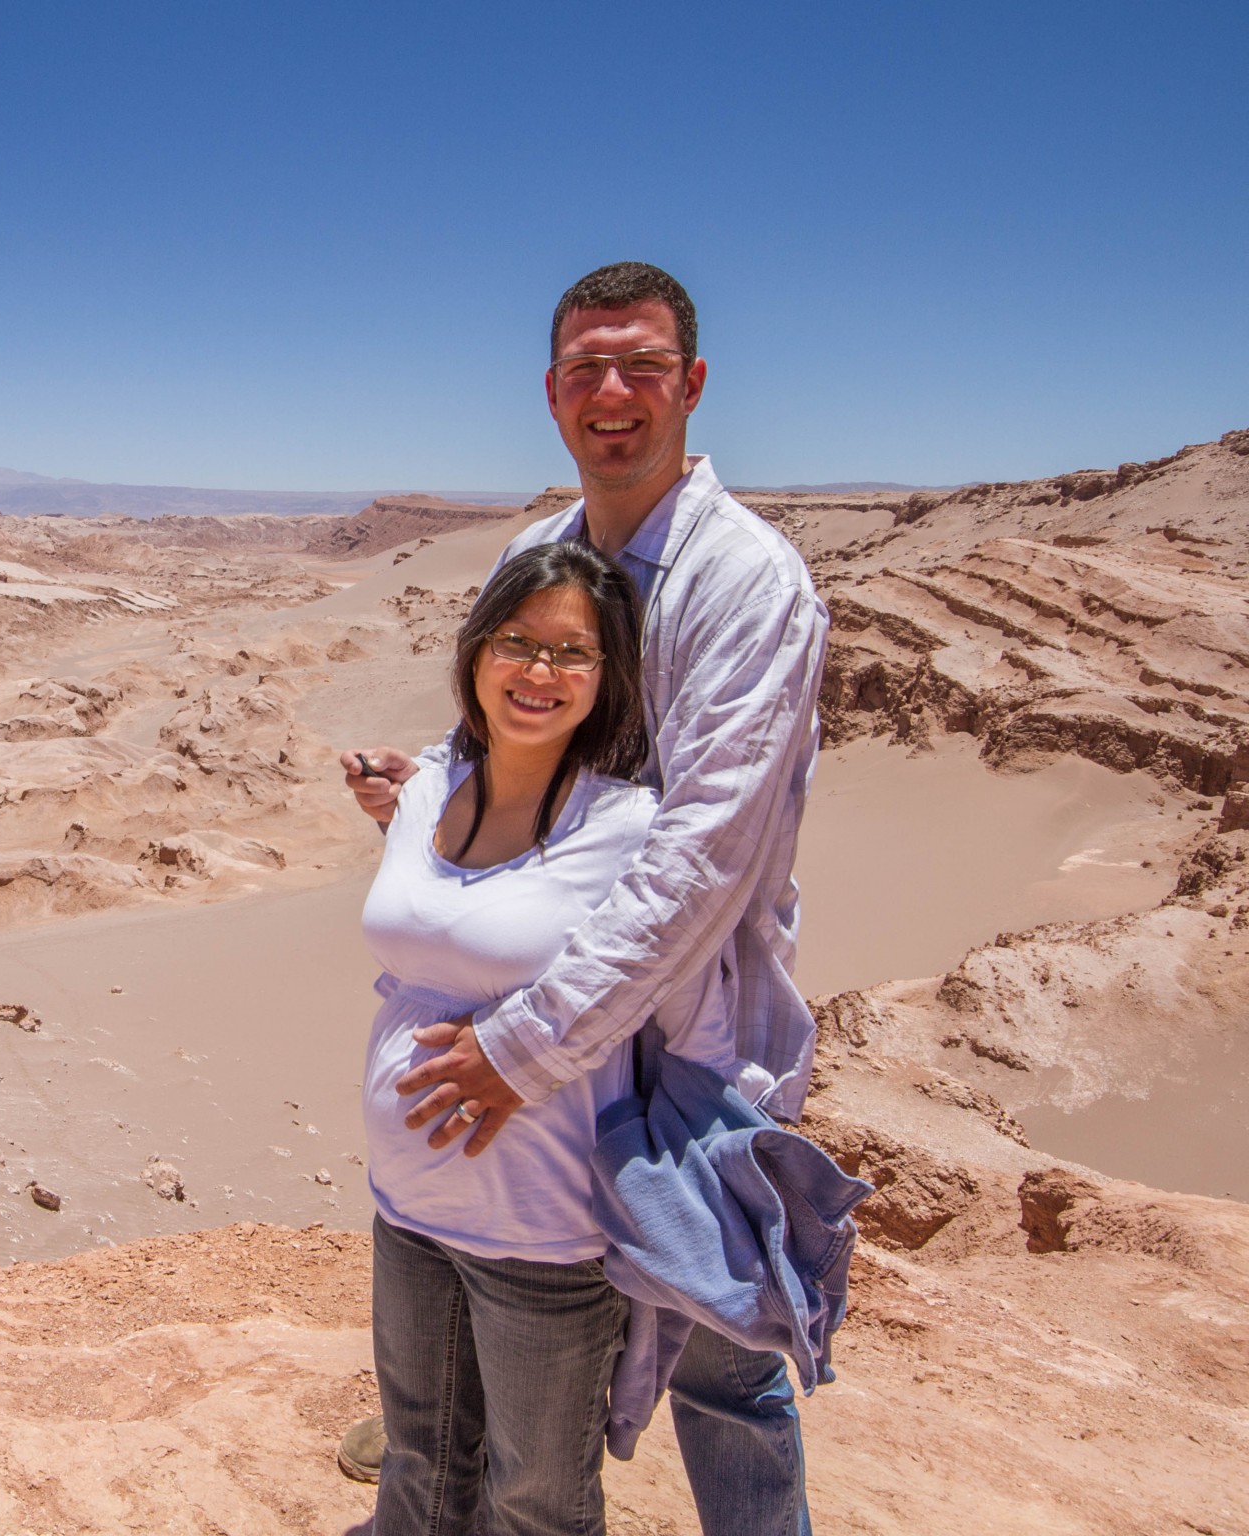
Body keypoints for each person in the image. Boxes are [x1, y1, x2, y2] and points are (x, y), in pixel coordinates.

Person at [340, 261, 831, 1536]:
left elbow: (703, 859)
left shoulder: (746, 580)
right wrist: (439, 796)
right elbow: (518, 726)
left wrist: (527, 1047)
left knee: (720, 1352)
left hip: (686, 1038)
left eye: (643, 368)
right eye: (585, 371)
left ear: (692, 385)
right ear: (552, 394)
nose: (613, 394)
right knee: (524, 1310)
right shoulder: (540, 549)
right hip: (545, 1015)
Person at [360, 537, 751, 1536]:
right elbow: (450, 924)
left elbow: (683, 1004)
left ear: (607, 679)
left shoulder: (629, 829)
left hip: (542, 1230)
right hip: (408, 1209)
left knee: (536, 1499)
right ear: (476, 651)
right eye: (518, 642)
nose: (540, 671)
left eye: (573, 654)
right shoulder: (426, 788)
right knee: (419, 1460)